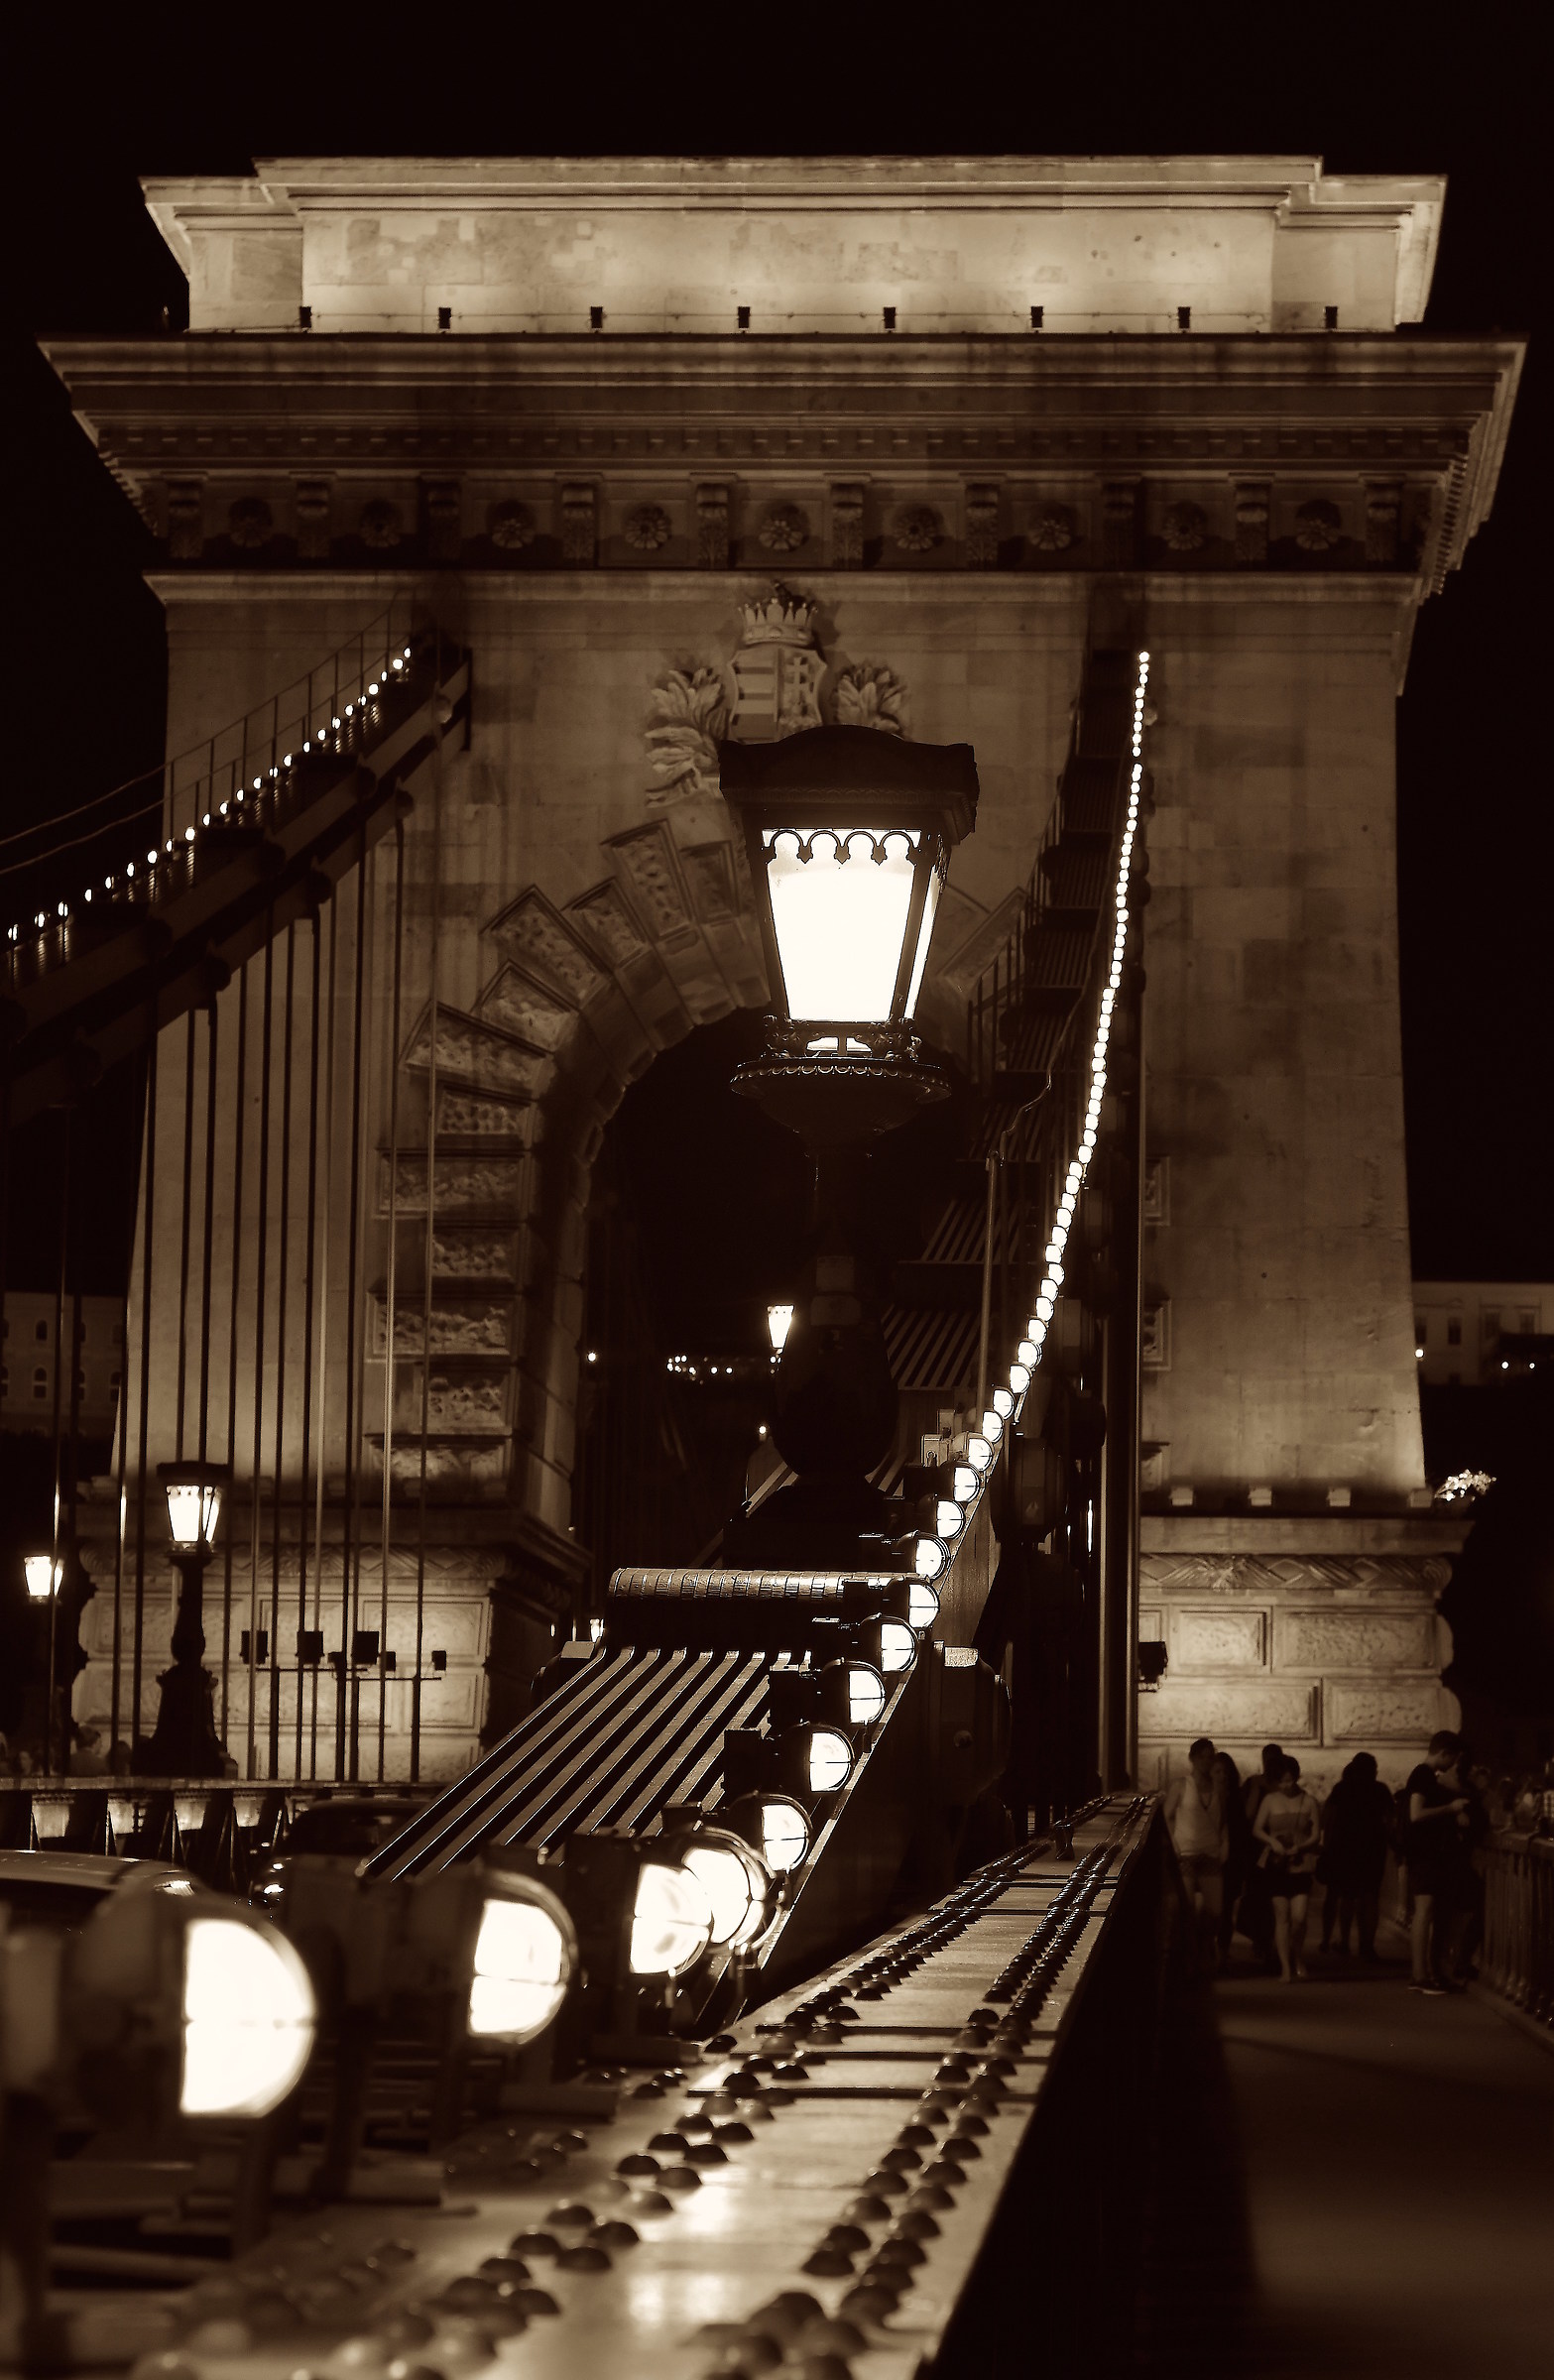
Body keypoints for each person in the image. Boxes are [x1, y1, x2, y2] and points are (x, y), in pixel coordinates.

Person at [1404, 1729, 1474, 1994]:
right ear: (1443, 1753)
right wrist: (1451, 1809)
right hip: (1424, 1855)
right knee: (1424, 1912)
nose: (1453, 1764)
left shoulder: (1425, 1775)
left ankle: (1422, 1974)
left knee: (1427, 1912)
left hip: (1424, 1854)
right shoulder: (1423, 1774)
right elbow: (1416, 1814)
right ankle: (1419, 1975)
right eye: (1452, 1758)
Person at [1316, 1751, 1392, 1959]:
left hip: (1345, 1848)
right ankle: (1367, 1945)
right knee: (1370, 1898)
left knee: (1347, 1897)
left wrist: (1326, 1844)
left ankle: (1344, 1941)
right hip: (1373, 1849)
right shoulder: (1380, 1790)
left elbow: (1328, 1817)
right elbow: (1389, 1820)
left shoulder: (1342, 1789)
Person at [1251, 1754, 1320, 1981]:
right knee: (1282, 1917)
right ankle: (1285, 1967)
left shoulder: (1308, 1801)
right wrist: (1273, 1842)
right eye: (1282, 1781)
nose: (1286, 1785)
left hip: (1300, 1864)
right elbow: (1258, 1829)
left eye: (1290, 1780)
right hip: (1276, 1865)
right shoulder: (1270, 1800)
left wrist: (1300, 1847)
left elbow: (1315, 1834)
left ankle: (1297, 1955)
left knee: (1299, 1917)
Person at [1165, 1736, 1229, 1966]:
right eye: (1202, 1757)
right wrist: (1174, 1844)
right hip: (1187, 1853)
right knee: (1187, 1908)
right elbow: (1167, 1816)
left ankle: (1203, 1948)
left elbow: (1222, 1820)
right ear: (1192, 1759)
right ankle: (1191, 1957)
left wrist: (1223, 1844)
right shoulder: (1182, 1786)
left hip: (1210, 1852)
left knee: (1214, 1911)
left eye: (1210, 1757)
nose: (1206, 1762)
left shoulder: (1218, 1788)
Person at [1239, 1742, 1284, 1970]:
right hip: (1256, 1852)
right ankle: (1262, 1942)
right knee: (1258, 1900)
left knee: (1275, 1901)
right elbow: (1247, 1816)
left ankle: (1274, 1947)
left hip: (1278, 1852)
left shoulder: (1285, 1785)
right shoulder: (1253, 1784)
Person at [1211, 1749, 1252, 1965]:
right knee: (1211, 1909)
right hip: (1209, 1857)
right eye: (1217, 1772)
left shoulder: (1235, 1799)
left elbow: (1241, 1832)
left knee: (1226, 1909)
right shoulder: (1204, 1798)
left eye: (1225, 1772)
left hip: (1232, 1861)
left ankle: (1222, 1953)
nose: (1222, 1776)